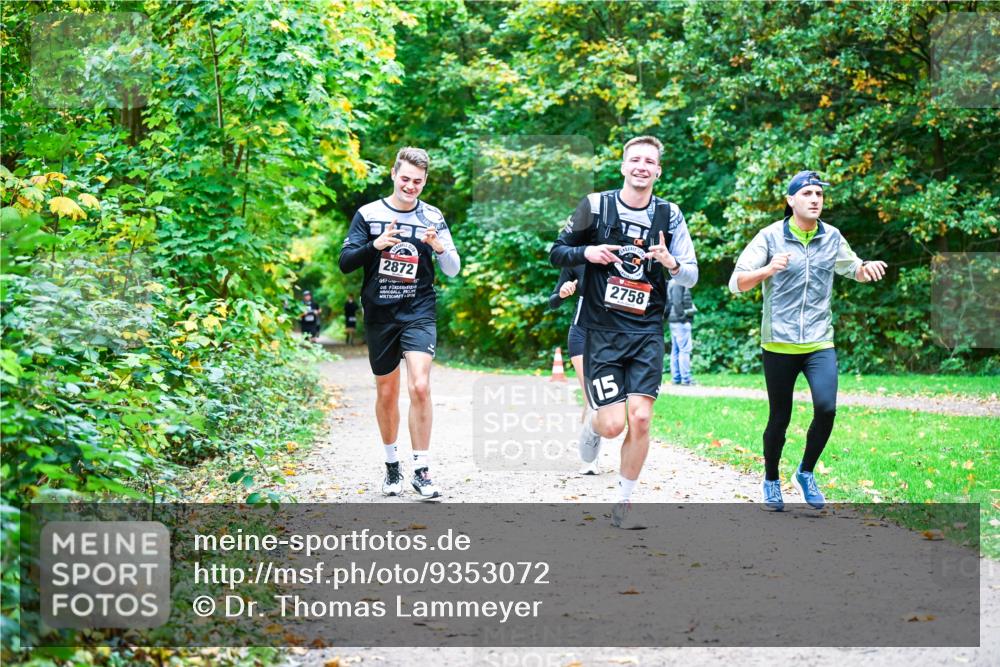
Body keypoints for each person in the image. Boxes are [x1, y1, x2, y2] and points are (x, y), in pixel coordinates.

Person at [550, 135, 698, 529]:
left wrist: (672, 264)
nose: (642, 167)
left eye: (649, 162)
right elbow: (556, 252)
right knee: (613, 424)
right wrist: (587, 253)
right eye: (635, 160)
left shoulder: (671, 215)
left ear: (658, 171)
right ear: (623, 166)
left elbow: (692, 273)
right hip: (601, 330)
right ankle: (592, 424)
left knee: (642, 419)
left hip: (647, 331)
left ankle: (624, 503)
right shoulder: (596, 206)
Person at [728, 170, 887, 512]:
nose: (815, 199)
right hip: (779, 344)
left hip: (818, 342)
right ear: (791, 200)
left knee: (827, 409)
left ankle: (805, 472)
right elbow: (736, 282)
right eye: (808, 194)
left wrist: (866, 269)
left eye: (819, 194)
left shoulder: (831, 237)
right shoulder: (769, 237)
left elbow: (853, 268)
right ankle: (771, 479)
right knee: (780, 418)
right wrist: (768, 269)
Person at [338, 147, 461, 500]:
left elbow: (452, 268)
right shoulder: (369, 214)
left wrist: (438, 246)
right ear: (393, 174)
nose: (410, 186)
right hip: (380, 313)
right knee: (387, 391)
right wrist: (375, 245)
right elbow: (346, 262)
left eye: (418, 182)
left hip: (418, 309)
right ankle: (392, 465)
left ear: (425, 182)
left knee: (420, 385)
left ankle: (422, 470)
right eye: (405, 178)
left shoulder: (433, 216)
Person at [548, 264, 599, 474]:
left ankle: (591, 444)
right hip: (581, 335)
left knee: (604, 400)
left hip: (612, 336)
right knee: (591, 395)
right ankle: (589, 459)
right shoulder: (576, 261)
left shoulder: (619, 257)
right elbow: (553, 302)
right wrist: (561, 293)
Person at [664, 278, 696, 386]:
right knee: (684, 350)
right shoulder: (679, 282)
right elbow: (677, 302)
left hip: (674, 320)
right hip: (680, 321)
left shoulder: (673, 282)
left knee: (676, 350)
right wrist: (683, 317)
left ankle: (676, 378)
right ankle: (686, 379)